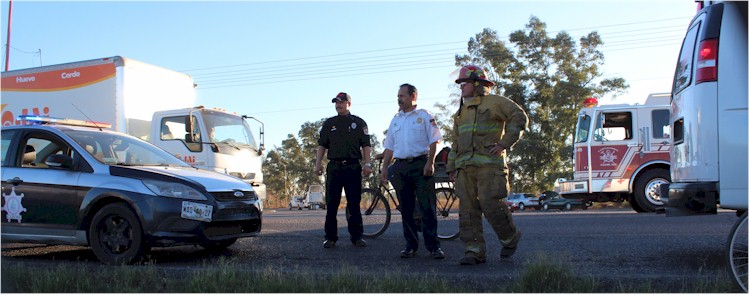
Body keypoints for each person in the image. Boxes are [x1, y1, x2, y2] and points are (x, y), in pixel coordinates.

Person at [446, 65, 529, 265]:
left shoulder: (495, 103)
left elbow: (520, 117)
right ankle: (474, 251)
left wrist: (504, 144)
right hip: (465, 169)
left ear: (477, 83)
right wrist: (451, 167)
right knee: (467, 210)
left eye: (464, 84)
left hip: (490, 167)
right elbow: (456, 142)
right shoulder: (460, 113)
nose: (461, 88)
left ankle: (510, 238)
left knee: (491, 204)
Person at [379, 83, 445, 259]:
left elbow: (435, 140)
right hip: (401, 167)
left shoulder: (424, 116)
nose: (399, 99)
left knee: (427, 208)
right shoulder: (396, 120)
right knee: (406, 209)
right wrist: (385, 167)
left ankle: (433, 247)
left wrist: (430, 162)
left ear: (413, 96)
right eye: (398, 96)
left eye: (402, 96)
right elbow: (389, 147)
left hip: (421, 165)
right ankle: (411, 246)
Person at [315, 92, 372, 248]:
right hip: (334, 167)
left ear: (349, 103)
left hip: (353, 166)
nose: (338, 105)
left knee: (354, 203)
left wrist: (368, 164)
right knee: (332, 203)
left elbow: (366, 145)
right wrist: (318, 163)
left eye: (341, 102)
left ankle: (357, 237)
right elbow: (322, 145)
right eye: (336, 102)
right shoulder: (329, 124)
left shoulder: (359, 123)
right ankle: (330, 237)